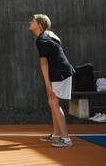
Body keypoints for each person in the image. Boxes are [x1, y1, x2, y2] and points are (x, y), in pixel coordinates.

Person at [29, 14, 76, 148]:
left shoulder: (42, 40)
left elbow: (44, 64)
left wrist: (48, 86)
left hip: (61, 73)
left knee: (54, 102)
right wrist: (49, 85)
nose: (30, 23)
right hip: (59, 72)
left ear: (39, 25)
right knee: (52, 103)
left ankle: (66, 139)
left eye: (33, 21)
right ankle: (56, 135)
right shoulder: (44, 37)